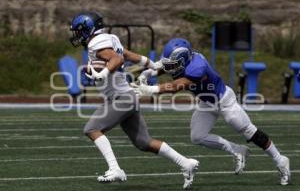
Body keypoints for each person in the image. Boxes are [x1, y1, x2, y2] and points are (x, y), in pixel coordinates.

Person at [133, 38, 291, 185]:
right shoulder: (182, 59)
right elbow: (163, 65)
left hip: (224, 100)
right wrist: (148, 73)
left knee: (248, 131)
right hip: (207, 102)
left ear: (183, 60)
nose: (171, 68)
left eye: (174, 65)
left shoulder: (197, 66)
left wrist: (149, 89)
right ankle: (237, 150)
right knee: (197, 136)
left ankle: (281, 160)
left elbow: (177, 86)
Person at [69, 12, 199, 189]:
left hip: (121, 97)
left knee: (92, 128)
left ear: (88, 28)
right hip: (127, 97)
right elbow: (128, 55)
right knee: (144, 143)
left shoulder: (95, 42)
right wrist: (151, 64)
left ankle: (115, 169)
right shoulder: (111, 38)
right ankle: (186, 163)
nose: (77, 35)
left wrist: (102, 74)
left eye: (79, 31)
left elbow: (118, 58)